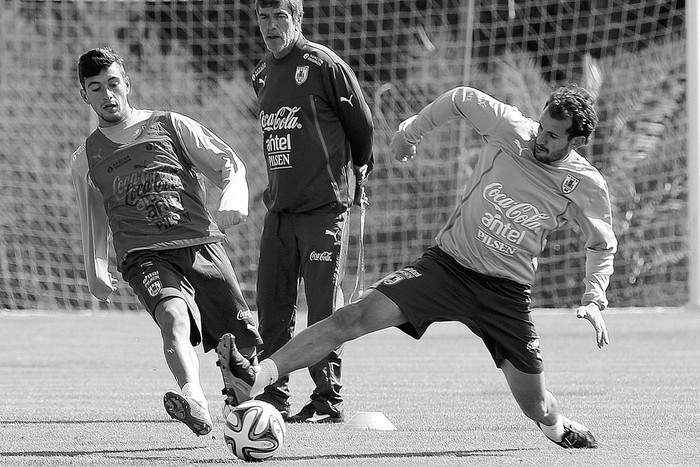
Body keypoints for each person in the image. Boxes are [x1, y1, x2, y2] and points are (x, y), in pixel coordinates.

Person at [218, 84, 617, 448]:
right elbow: (460, 97)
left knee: (535, 406)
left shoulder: (586, 185)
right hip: (446, 268)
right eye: (541, 125)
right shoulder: (511, 128)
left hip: (506, 294)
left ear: (577, 140)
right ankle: (258, 376)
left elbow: (601, 244)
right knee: (351, 319)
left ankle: (557, 427)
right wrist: (411, 131)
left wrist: (594, 298)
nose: (539, 138)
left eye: (552, 135)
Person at [69, 47, 262, 436]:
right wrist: (96, 269)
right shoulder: (85, 158)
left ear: (127, 84)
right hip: (144, 257)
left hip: (199, 243)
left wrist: (234, 194)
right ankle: (195, 401)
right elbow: (92, 220)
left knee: (241, 346)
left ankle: (243, 404)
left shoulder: (170, 125)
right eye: (96, 88)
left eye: (112, 84)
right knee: (171, 318)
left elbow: (228, 163)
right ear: (84, 95)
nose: (107, 96)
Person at [221, 0, 374, 423]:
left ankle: (328, 402)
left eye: (280, 18)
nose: (271, 27)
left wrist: (358, 175)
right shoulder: (262, 73)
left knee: (323, 310)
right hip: (280, 213)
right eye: (264, 18)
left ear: (298, 19)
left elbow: (361, 126)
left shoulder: (324, 65)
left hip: (325, 210)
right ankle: (274, 396)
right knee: (272, 308)